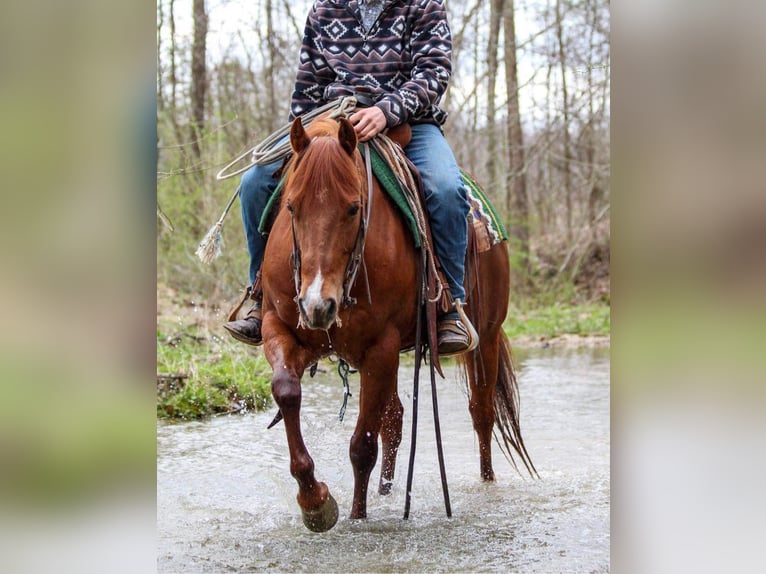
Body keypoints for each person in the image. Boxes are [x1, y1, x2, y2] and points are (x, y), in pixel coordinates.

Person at [224, 0, 476, 355]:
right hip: (331, 121)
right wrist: (309, 138)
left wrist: (386, 111)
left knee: (446, 189)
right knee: (254, 182)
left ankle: (450, 304)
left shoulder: (423, 5)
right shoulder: (325, 9)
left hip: (409, 123)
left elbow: (434, 73)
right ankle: (258, 292)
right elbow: (308, 87)